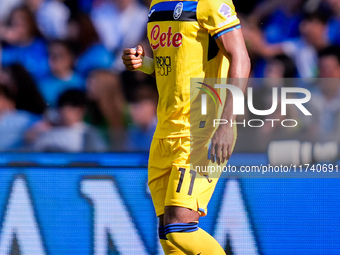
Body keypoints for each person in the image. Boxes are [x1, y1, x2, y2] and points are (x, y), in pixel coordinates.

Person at [122, 0, 250, 254]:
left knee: (179, 227)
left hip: (204, 128)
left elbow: (241, 58)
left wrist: (226, 122)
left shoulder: (211, 3)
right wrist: (144, 63)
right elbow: (175, 67)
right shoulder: (157, 4)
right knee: (169, 238)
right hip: (167, 129)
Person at [30, 89, 107, 152]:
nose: (63, 113)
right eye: (61, 109)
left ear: (81, 110)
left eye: (69, 109)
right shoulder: (46, 130)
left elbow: (99, 158)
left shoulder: (89, 132)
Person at [0, 5, 49, 80]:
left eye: (23, 19)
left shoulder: (43, 45)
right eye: (15, 21)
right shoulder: (6, 51)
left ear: (31, 23)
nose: (18, 23)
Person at [38, 40, 85, 108]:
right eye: (51, 55)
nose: (54, 59)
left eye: (59, 55)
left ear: (70, 57)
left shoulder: (82, 82)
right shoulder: (41, 86)